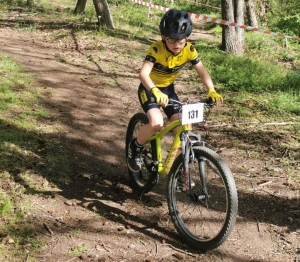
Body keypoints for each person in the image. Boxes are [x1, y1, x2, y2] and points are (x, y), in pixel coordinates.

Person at [127, 8, 223, 172]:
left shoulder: (189, 49)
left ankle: (177, 170)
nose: (177, 45)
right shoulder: (156, 49)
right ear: (163, 37)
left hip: (168, 91)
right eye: (172, 40)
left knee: (184, 127)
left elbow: (202, 72)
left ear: (187, 37)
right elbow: (143, 74)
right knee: (157, 123)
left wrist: (211, 90)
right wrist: (155, 91)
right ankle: (136, 147)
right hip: (149, 88)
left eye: (181, 41)